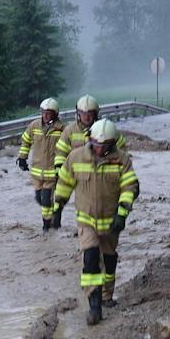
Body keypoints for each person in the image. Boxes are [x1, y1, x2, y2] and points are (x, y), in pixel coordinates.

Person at [53, 117, 139, 326]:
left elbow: (130, 188)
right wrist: (58, 208)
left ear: (112, 144)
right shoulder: (75, 157)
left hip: (111, 222)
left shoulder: (122, 160)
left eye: (104, 146)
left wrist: (122, 214)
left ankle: (108, 295)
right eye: (96, 145)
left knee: (109, 261)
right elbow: (64, 183)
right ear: (90, 139)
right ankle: (94, 305)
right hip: (87, 221)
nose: (99, 150)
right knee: (90, 259)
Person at [16, 97, 65, 230]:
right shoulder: (34, 126)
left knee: (45, 200)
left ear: (55, 114)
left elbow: (68, 148)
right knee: (39, 198)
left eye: (48, 113)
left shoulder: (61, 129)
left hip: (52, 173)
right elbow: (26, 141)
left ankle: (47, 226)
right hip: (37, 172)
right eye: (43, 112)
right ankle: (55, 213)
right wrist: (22, 158)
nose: (45, 116)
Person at [53, 94, 100, 173]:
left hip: (98, 175)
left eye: (90, 114)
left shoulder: (104, 130)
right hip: (75, 175)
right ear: (78, 114)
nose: (86, 117)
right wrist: (59, 168)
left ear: (95, 114)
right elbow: (61, 151)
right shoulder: (70, 130)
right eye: (83, 113)